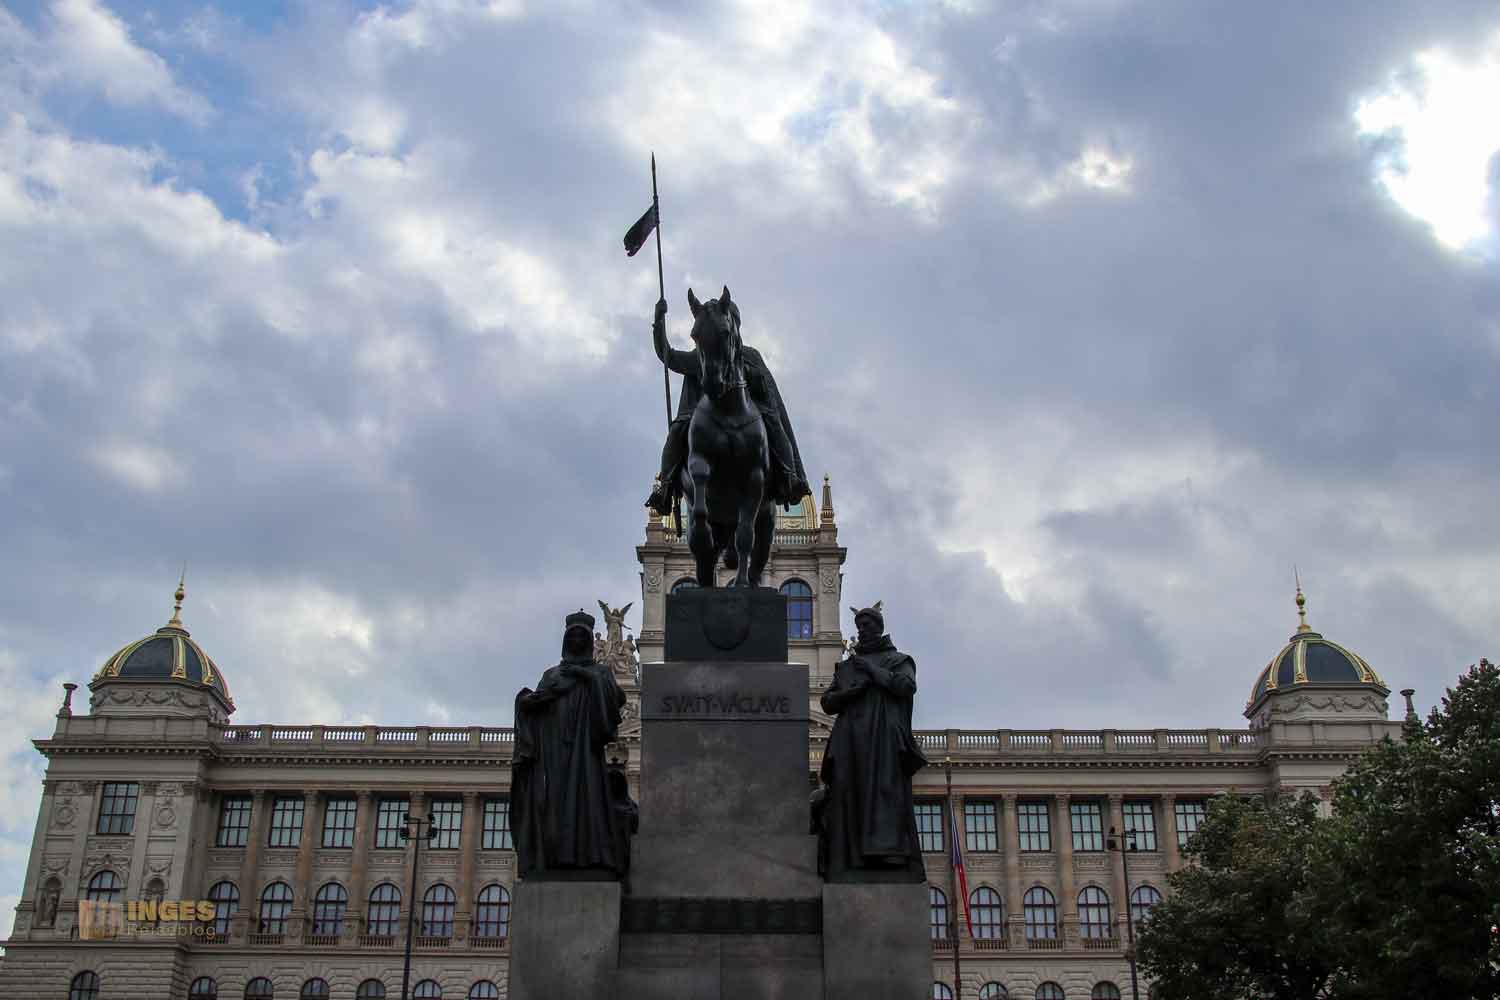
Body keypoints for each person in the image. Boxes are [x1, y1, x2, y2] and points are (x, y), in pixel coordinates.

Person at [645, 296, 810, 515]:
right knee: (676, 431)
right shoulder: (701, 357)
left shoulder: (750, 355)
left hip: (749, 413)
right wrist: (659, 321)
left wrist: (750, 375)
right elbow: (667, 355)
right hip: (701, 414)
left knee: (773, 421)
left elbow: (764, 387)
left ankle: (790, 476)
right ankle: (664, 488)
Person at [511, 610, 630, 878]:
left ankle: (589, 856)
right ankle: (555, 856)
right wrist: (529, 702)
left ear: (589, 640)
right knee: (555, 802)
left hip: (585, 747)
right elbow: (537, 701)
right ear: (566, 640)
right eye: (572, 635)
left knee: (588, 799)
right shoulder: (552, 674)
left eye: (581, 635)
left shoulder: (599, 671)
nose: (577, 640)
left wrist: (585, 676)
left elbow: (617, 698)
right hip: (554, 748)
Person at [817, 603, 928, 880]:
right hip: (850, 743)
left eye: (868, 625)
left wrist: (871, 670)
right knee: (847, 800)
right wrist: (850, 693)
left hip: (883, 744)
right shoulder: (845, 668)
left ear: (879, 628)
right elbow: (828, 703)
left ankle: (887, 856)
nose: (862, 631)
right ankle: (846, 859)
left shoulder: (899, 660)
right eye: (859, 626)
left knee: (883, 800)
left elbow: (905, 686)